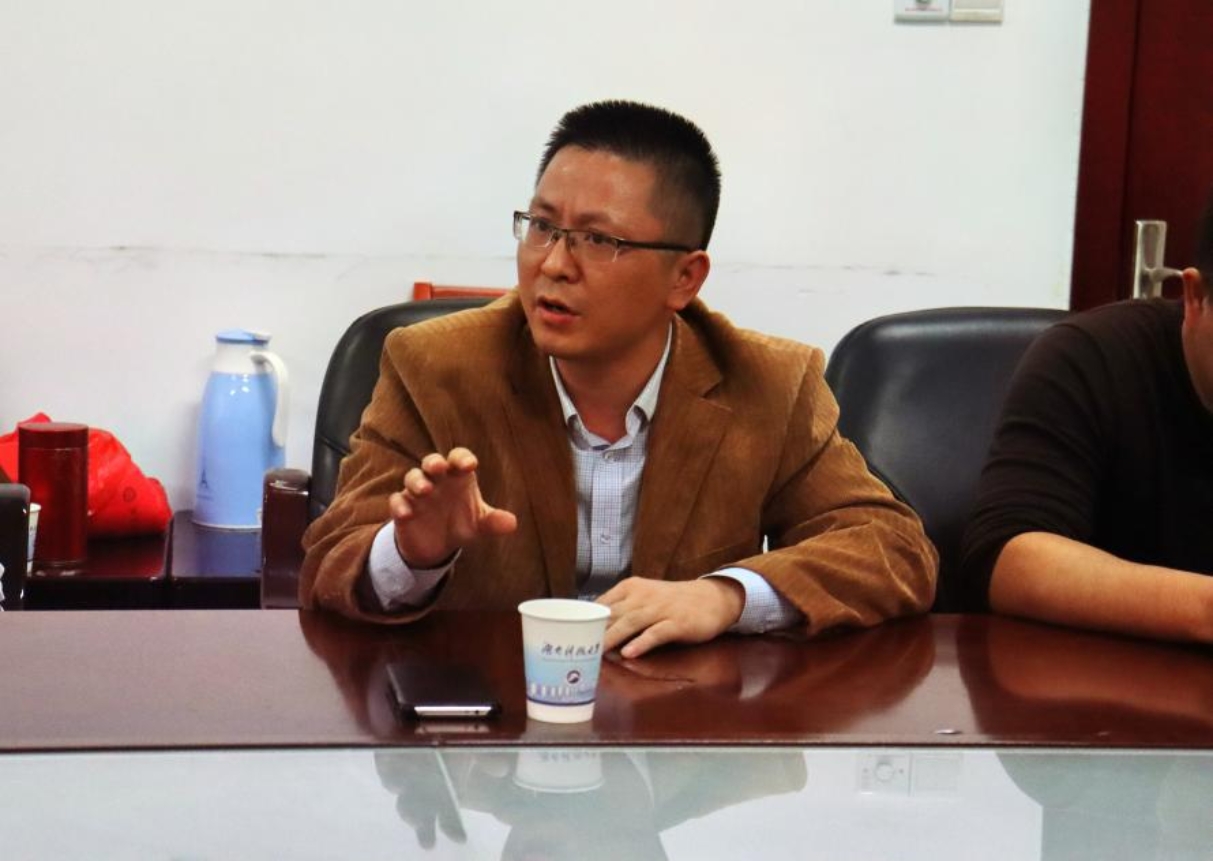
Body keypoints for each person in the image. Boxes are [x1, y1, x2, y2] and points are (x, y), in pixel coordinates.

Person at [300, 100, 936, 656]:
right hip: (489, 718)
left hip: (678, 724)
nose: (554, 264)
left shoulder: (767, 382)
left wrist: (725, 597)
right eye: (542, 227)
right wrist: (412, 553)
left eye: (598, 240)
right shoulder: (435, 365)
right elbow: (328, 566)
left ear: (684, 278)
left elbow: (893, 550)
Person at [960, 188, 1213, 642]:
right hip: (1088, 673)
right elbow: (1011, 558)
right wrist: (1204, 609)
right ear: (1195, 296)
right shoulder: (1090, 357)